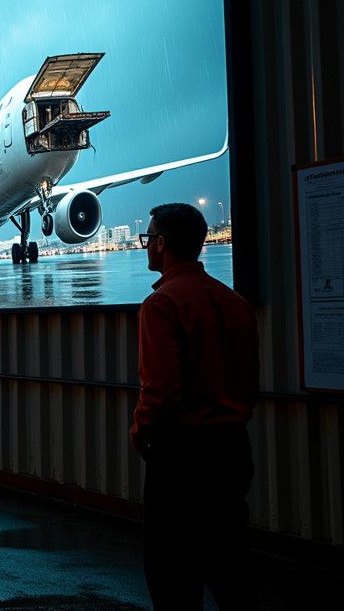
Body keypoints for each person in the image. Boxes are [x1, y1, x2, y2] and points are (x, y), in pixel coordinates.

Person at [133, 203, 259, 610]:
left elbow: (160, 391)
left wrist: (140, 434)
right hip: (231, 449)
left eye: (148, 238)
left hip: (182, 456)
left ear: (161, 244)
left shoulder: (162, 304)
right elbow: (249, 381)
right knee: (231, 571)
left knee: (173, 579)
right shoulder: (235, 302)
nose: (146, 245)